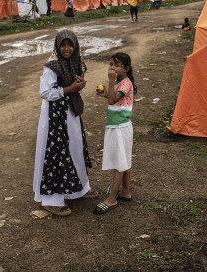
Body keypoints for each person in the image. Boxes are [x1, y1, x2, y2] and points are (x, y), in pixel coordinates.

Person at [33, 29, 98, 216]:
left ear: (75, 46)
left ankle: (80, 188)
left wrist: (79, 85)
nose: (67, 49)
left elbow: (76, 89)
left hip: (71, 112)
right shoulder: (52, 66)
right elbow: (45, 92)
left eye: (70, 45)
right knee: (55, 152)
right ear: (57, 46)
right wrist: (69, 88)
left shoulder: (76, 62)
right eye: (63, 45)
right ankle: (51, 199)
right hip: (54, 116)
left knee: (75, 148)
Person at [94, 52, 136, 214]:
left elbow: (113, 100)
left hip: (119, 128)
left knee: (119, 162)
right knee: (124, 159)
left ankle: (111, 199)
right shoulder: (120, 82)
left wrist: (110, 82)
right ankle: (125, 191)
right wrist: (106, 92)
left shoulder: (125, 83)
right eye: (111, 64)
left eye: (117, 65)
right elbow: (112, 98)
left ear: (126, 68)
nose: (112, 67)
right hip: (119, 126)